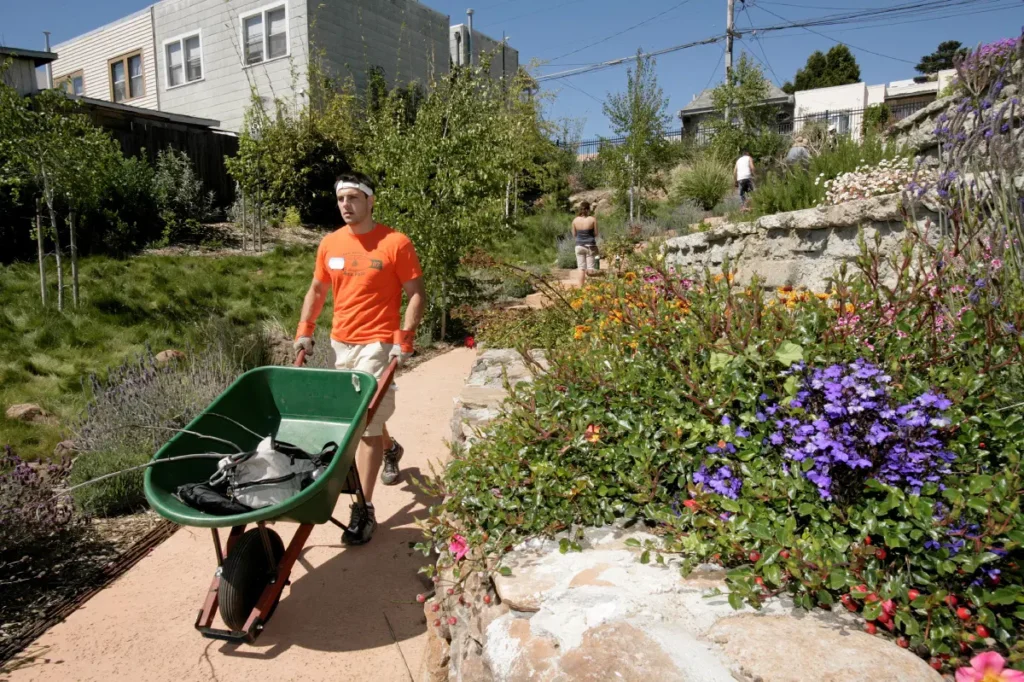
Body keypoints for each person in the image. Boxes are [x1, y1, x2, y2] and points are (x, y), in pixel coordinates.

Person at [293, 171, 426, 546]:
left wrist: (405, 338)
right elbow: (318, 289)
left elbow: (416, 292)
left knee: (361, 423)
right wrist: (305, 330)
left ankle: (364, 507)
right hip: (341, 342)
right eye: (340, 199)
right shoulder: (330, 244)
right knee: (364, 416)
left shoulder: (395, 243)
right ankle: (391, 448)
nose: (346, 206)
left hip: (379, 343)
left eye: (353, 198)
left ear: (370, 200)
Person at [571, 201, 599, 283]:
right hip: (590, 245)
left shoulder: (575, 220)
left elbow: (574, 234)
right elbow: (596, 234)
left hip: (579, 246)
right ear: (588, 209)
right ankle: (591, 288)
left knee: (581, 268)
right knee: (590, 268)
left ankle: (581, 289)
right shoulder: (593, 219)